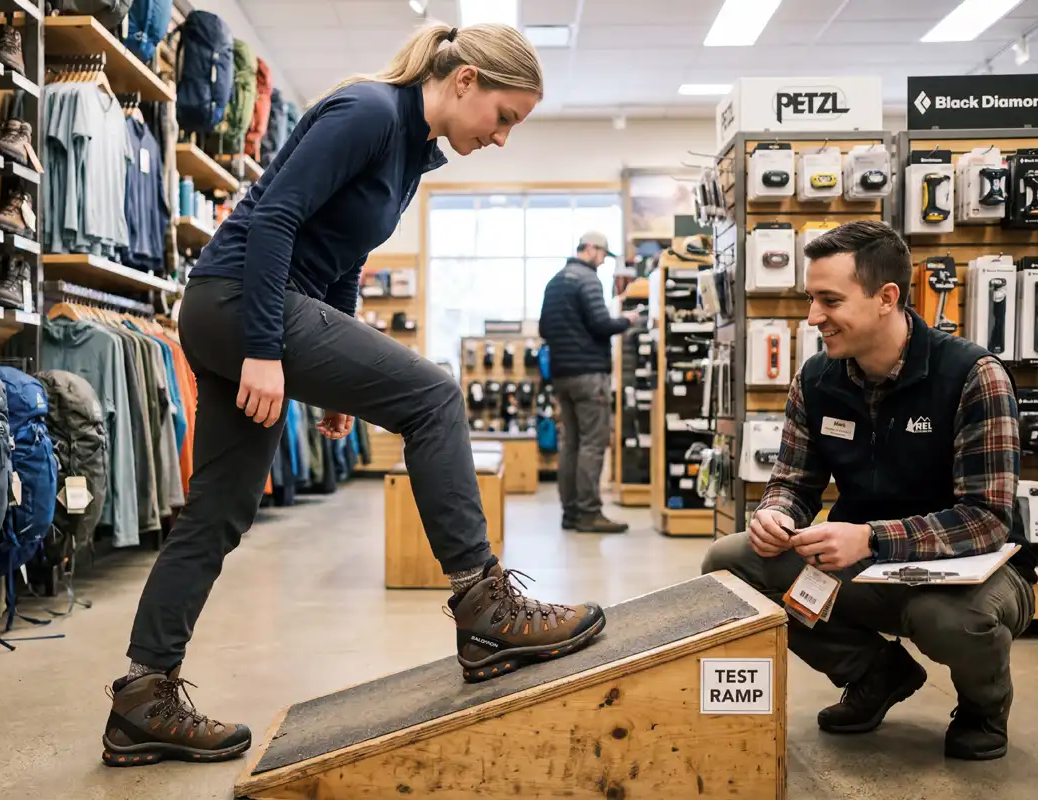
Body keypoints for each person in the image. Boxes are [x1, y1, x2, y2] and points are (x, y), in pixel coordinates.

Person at [100, 23, 608, 768]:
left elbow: (343, 260)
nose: (502, 137)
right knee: (435, 397)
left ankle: (141, 699)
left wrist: (333, 383)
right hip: (239, 301)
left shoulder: (410, 152)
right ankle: (485, 606)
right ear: (465, 80)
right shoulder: (369, 111)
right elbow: (275, 217)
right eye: (504, 117)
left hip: (242, 306)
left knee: (217, 512)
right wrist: (266, 350)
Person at [702, 220, 1037, 761]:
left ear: (887, 298)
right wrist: (776, 515)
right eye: (811, 299)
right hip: (864, 564)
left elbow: (986, 520)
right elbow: (793, 482)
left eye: (830, 300)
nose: (813, 317)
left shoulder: (973, 376)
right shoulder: (816, 380)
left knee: (945, 619)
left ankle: (984, 706)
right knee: (732, 562)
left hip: (973, 574)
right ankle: (875, 674)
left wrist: (872, 538)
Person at [539, 232, 639, 533]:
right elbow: (600, 323)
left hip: (562, 376)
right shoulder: (588, 279)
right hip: (589, 375)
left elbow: (544, 327)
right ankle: (589, 513)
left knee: (571, 443)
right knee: (593, 444)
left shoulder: (555, 281)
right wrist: (627, 320)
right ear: (592, 249)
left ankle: (570, 512)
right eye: (603, 255)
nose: (603, 261)